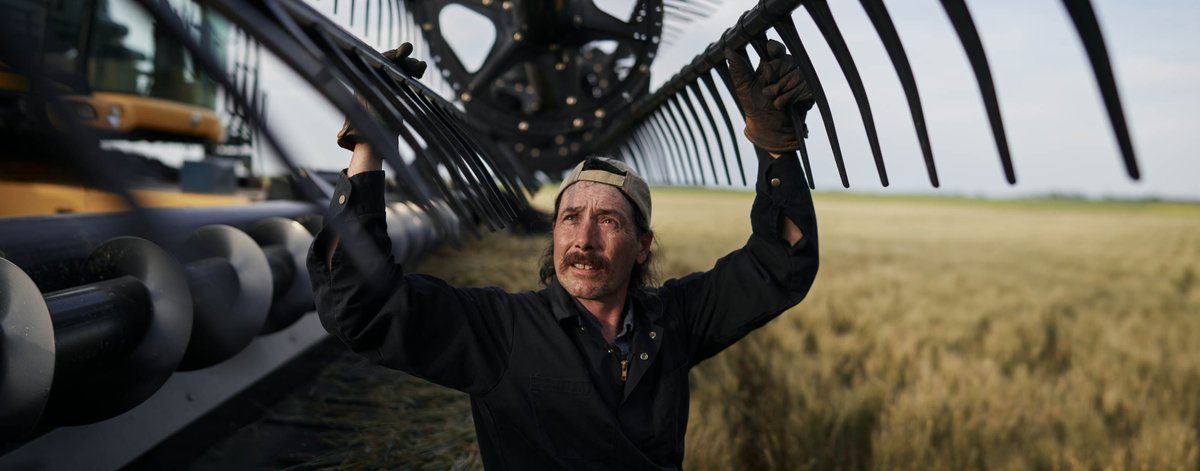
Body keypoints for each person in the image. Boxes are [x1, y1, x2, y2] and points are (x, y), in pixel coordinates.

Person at [308, 39, 819, 470]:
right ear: (553, 234)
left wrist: (778, 151)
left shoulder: (674, 322)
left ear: (642, 247)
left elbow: (780, 264)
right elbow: (365, 309)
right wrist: (369, 146)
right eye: (570, 218)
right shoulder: (502, 333)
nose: (583, 239)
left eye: (609, 221)